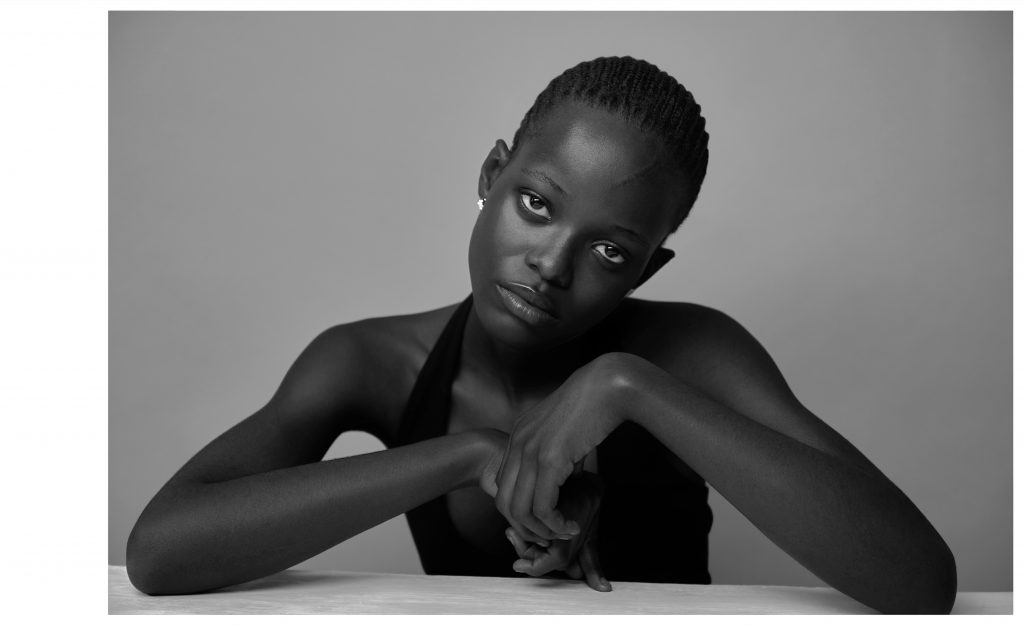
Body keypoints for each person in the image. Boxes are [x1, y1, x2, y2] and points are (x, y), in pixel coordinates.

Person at [125, 56, 957, 613]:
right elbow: (159, 556)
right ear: (492, 178)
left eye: (608, 250)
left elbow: (920, 582)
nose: (551, 265)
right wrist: (472, 454)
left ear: (645, 271)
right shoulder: (369, 362)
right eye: (537, 204)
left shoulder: (693, 355)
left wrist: (628, 387)